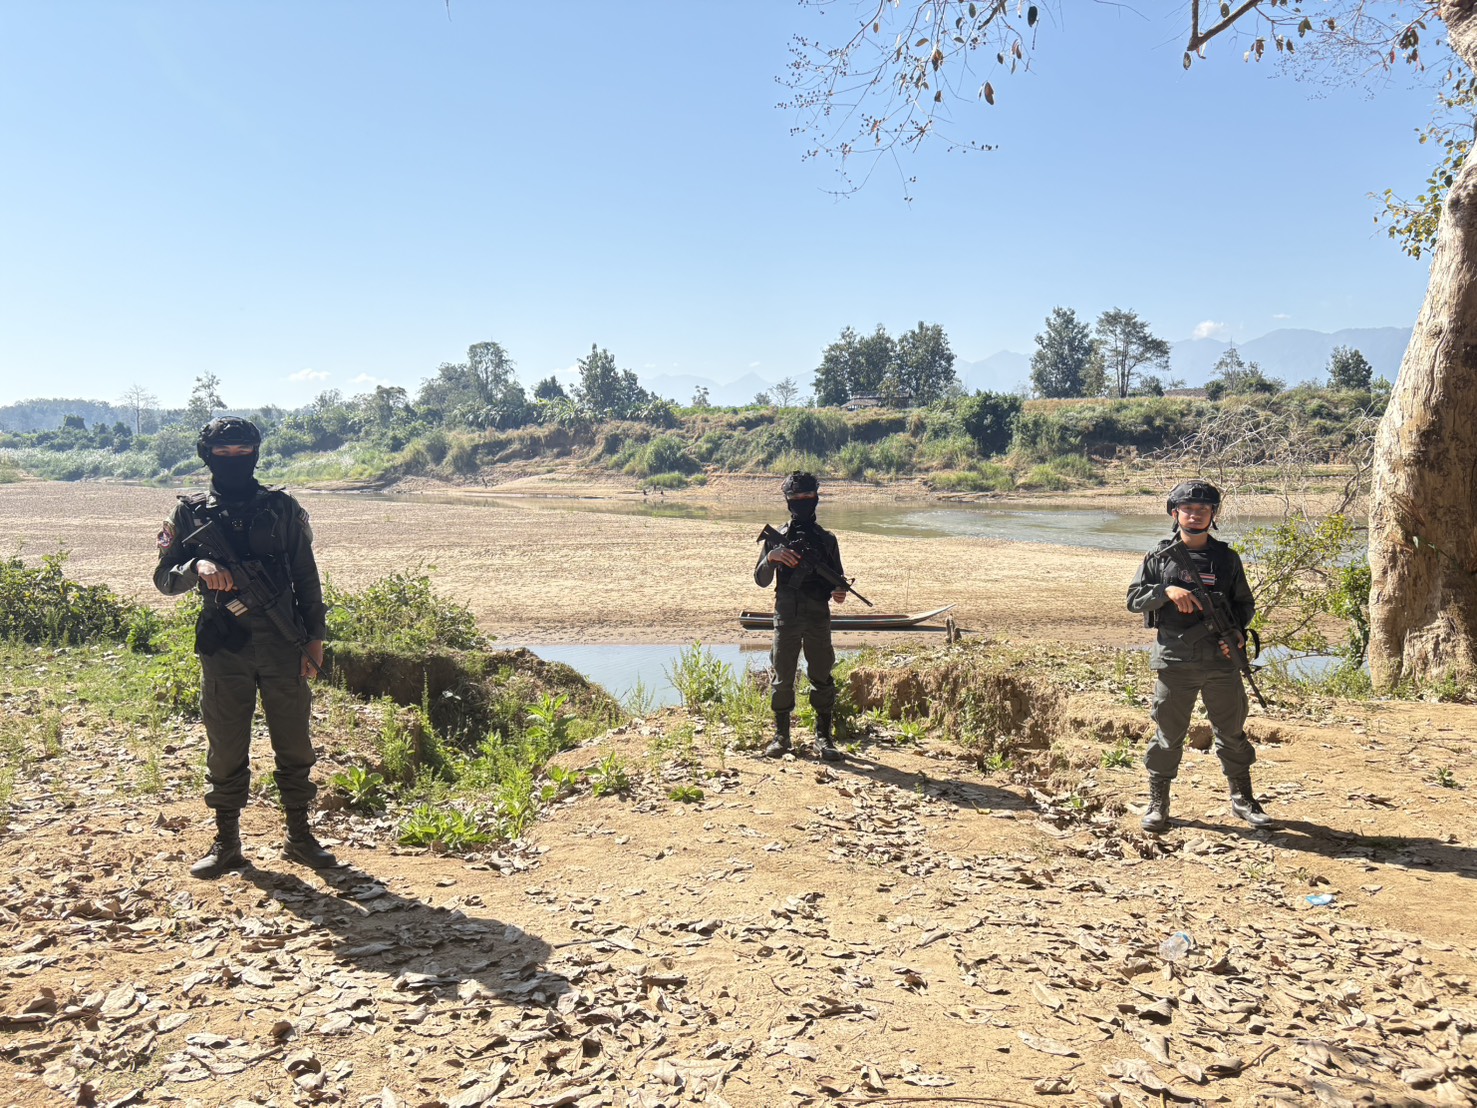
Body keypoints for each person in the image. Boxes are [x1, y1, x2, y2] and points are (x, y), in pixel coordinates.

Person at [154, 417, 337, 876]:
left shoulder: (281, 508)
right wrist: (197, 566)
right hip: (224, 646)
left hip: (282, 641)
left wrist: (314, 640)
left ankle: (299, 837)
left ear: (255, 454)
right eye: (223, 453)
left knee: (293, 742)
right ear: (207, 456)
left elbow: (306, 576)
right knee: (226, 746)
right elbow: (164, 578)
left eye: (243, 452)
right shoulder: (188, 514)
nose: (234, 460)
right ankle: (227, 843)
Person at [1126, 480, 1274, 833]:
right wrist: (1166, 591)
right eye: (1188, 509)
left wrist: (1236, 634)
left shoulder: (1227, 559)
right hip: (1175, 661)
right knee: (1168, 735)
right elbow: (1133, 599)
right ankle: (1158, 803)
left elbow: (1244, 605)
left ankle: (1243, 799)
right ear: (1174, 513)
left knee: (1232, 732)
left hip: (1221, 663)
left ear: (1213, 514)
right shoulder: (1159, 557)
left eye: (1203, 510)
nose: (1195, 515)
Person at [754, 472, 848, 762]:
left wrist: (839, 591)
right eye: (796, 498)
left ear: (816, 499)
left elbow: (837, 579)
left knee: (822, 675)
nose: (803, 502)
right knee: (783, 677)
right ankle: (782, 737)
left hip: (818, 616)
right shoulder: (777, 539)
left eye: (808, 497)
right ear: (788, 501)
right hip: (787, 616)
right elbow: (760, 579)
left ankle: (824, 737)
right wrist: (772, 558)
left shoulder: (827, 540)